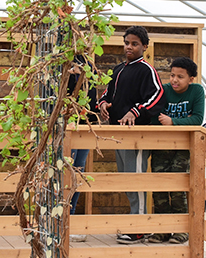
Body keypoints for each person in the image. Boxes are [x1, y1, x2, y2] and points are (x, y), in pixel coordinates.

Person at [97, 25, 165, 244]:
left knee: (136, 179)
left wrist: (135, 111)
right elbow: (108, 92)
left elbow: (157, 95)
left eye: (135, 44)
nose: (130, 47)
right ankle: (135, 223)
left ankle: (140, 228)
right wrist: (104, 103)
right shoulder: (118, 70)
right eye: (127, 43)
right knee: (127, 180)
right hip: (118, 133)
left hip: (137, 135)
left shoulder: (147, 70)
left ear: (144, 46)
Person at [148, 57, 205, 244]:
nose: (174, 80)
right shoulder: (163, 90)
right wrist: (176, 120)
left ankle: (181, 230)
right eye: (172, 75)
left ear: (191, 79)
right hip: (161, 146)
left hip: (182, 147)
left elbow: (197, 119)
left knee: (178, 185)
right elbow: (155, 115)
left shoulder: (197, 91)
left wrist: (173, 121)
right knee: (159, 187)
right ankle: (162, 230)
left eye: (180, 76)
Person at [67, 57, 98, 243]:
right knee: (65, 173)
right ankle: (61, 221)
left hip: (84, 127)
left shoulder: (89, 66)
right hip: (64, 127)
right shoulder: (58, 64)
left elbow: (91, 99)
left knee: (77, 173)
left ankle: (70, 221)